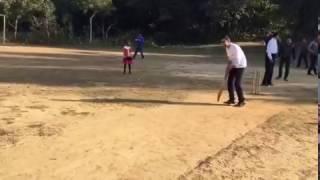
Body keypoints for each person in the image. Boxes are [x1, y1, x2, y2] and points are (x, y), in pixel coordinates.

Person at [223, 36, 247, 107]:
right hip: (234, 65)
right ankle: (232, 99)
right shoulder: (227, 48)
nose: (223, 44)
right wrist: (227, 69)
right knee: (230, 82)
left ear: (228, 41)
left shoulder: (235, 47)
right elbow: (230, 60)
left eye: (224, 42)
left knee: (237, 83)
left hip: (241, 65)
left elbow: (237, 61)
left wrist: (231, 67)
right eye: (222, 43)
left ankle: (242, 101)